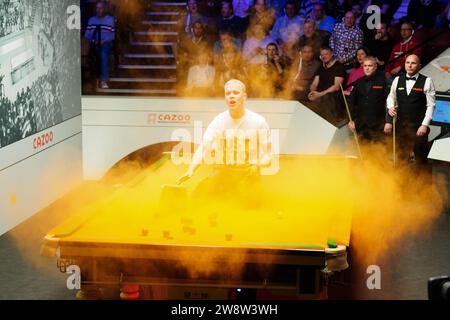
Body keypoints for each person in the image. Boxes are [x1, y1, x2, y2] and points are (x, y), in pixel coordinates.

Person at [177, 79, 272, 185]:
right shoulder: (218, 121)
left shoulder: (258, 122)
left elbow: (268, 156)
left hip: (248, 172)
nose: (231, 96)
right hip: (223, 171)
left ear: (244, 96)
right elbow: (204, 148)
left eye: (236, 93)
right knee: (199, 195)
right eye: (228, 93)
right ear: (225, 98)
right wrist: (191, 170)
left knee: (245, 197)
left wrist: (257, 164)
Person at [384, 54, 436, 167]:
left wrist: (424, 125)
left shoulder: (427, 81)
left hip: (418, 127)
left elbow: (431, 106)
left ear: (419, 66)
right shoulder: (397, 79)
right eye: (407, 62)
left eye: (413, 63)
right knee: (402, 159)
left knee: (421, 161)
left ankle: (423, 184)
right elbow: (391, 96)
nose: (410, 65)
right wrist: (391, 107)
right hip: (401, 127)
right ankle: (403, 184)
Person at [347, 56, 388, 143]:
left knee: (378, 152)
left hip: (378, 124)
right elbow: (350, 102)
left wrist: (388, 122)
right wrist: (350, 120)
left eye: (370, 66)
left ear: (375, 66)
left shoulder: (383, 81)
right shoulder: (358, 82)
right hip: (361, 124)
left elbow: (389, 102)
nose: (367, 68)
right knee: (363, 152)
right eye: (365, 66)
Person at [308, 46, 347, 124]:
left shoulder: (339, 67)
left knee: (326, 98)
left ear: (332, 54)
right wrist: (312, 91)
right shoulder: (321, 67)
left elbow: (336, 87)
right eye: (322, 55)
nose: (324, 56)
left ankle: (328, 122)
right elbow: (315, 83)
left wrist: (319, 94)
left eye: (326, 54)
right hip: (320, 93)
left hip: (333, 95)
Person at [84, 1, 115, 89]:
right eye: (97, 8)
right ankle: (92, 80)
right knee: (93, 53)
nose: (99, 10)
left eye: (101, 8)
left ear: (104, 9)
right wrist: (94, 40)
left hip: (106, 43)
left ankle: (103, 80)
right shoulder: (91, 20)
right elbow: (87, 34)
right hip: (95, 43)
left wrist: (104, 40)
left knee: (103, 53)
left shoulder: (110, 19)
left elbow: (112, 35)